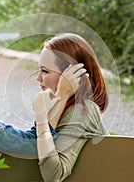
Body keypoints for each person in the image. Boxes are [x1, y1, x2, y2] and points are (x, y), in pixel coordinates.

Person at [32, 33, 109, 181]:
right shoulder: (61, 106)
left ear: (71, 74)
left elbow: (54, 174)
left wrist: (42, 116)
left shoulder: (81, 111)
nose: (38, 78)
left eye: (45, 71)